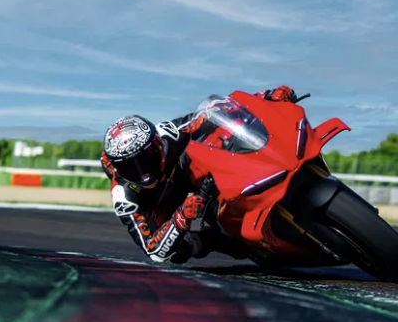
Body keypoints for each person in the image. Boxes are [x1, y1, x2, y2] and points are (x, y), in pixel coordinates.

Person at [100, 85, 298, 264]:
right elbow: (153, 251)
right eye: (130, 167)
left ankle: (255, 178)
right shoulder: (123, 196)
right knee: (179, 251)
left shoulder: (168, 133)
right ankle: (227, 243)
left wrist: (267, 96)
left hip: (185, 173)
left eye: (146, 159)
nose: (143, 173)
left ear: (158, 143)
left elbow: (212, 112)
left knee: (216, 137)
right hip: (164, 206)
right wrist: (181, 217)